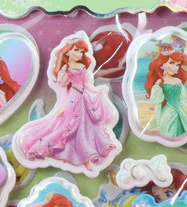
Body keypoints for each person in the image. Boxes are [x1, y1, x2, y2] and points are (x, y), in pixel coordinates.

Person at [14, 35, 119, 173]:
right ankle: (71, 155)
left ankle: (87, 157)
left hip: (84, 97)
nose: (79, 54)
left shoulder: (82, 66)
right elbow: (62, 88)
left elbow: (87, 84)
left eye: (81, 51)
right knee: (68, 126)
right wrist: (62, 104)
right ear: (68, 52)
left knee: (87, 127)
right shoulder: (65, 68)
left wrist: (97, 91)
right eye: (76, 50)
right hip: (72, 97)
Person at [144, 40, 187, 138]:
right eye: (171, 63)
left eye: (177, 65)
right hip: (168, 113)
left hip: (180, 112)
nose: (175, 67)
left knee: (182, 133)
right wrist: (158, 123)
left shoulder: (178, 81)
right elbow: (158, 105)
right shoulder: (160, 82)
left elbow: (180, 100)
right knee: (166, 133)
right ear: (162, 64)